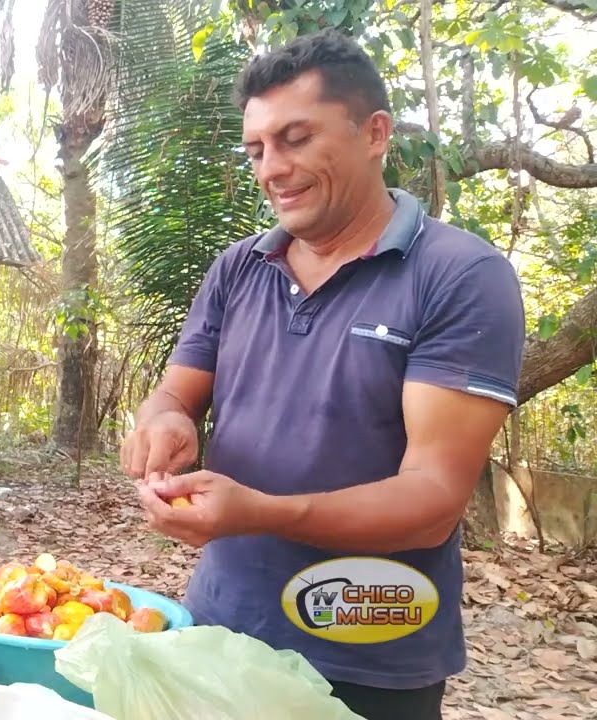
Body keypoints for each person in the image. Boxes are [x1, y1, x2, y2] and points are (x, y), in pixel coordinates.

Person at [120, 29, 525, 720]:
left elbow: (431, 503)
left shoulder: (458, 276)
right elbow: (173, 392)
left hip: (367, 642)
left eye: (296, 138)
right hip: (220, 629)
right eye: (256, 149)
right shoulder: (238, 268)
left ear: (374, 133)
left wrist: (260, 514)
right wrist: (163, 423)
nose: (272, 167)